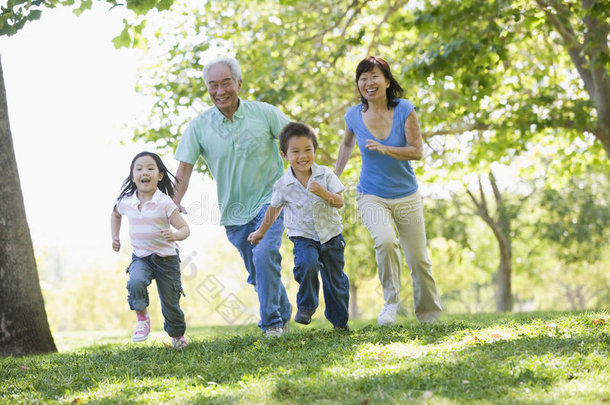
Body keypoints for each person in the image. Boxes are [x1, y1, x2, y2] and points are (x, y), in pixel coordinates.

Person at [173, 56, 292, 337]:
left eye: (226, 83)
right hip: (234, 212)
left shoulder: (264, 114)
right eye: (213, 85)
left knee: (264, 255)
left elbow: (298, 139)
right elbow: (183, 170)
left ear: (239, 83)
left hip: (271, 201)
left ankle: (272, 325)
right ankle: (283, 311)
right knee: (258, 271)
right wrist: (173, 204)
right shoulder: (199, 127)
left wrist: (303, 179)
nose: (220, 91)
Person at [334, 56, 442, 325]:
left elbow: (416, 151)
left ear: (387, 80)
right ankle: (391, 302)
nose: (368, 83)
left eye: (374, 76)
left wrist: (387, 149)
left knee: (418, 260)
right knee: (384, 241)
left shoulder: (405, 109)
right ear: (358, 84)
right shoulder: (353, 116)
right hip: (371, 194)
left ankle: (429, 315)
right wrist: (334, 177)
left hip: (406, 195)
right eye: (363, 78)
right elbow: (347, 145)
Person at [248, 122, 350, 330]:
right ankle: (306, 306)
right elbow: (274, 210)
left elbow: (339, 202)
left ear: (315, 150)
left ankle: (340, 323)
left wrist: (323, 193)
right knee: (306, 264)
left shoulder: (325, 175)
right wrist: (260, 232)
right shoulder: (282, 185)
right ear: (284, 155)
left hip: (331, 236)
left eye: (307, 150)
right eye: (295, 151)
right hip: (303, 236)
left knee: (335, 282)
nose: (302, 156)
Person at [111, 151, 190, 348]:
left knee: (171, 304)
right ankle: (142, 319)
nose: (144, 172)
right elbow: (115, 213)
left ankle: (177, 336)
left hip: (167, 260)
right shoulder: (126, 201)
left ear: (160, 175)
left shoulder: (165, 202)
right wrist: (115, 236)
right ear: (132, 176)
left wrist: (175, 235)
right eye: (139, 169)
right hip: (141, 258)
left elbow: (185, 229)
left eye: (150, 168)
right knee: (135, 281)